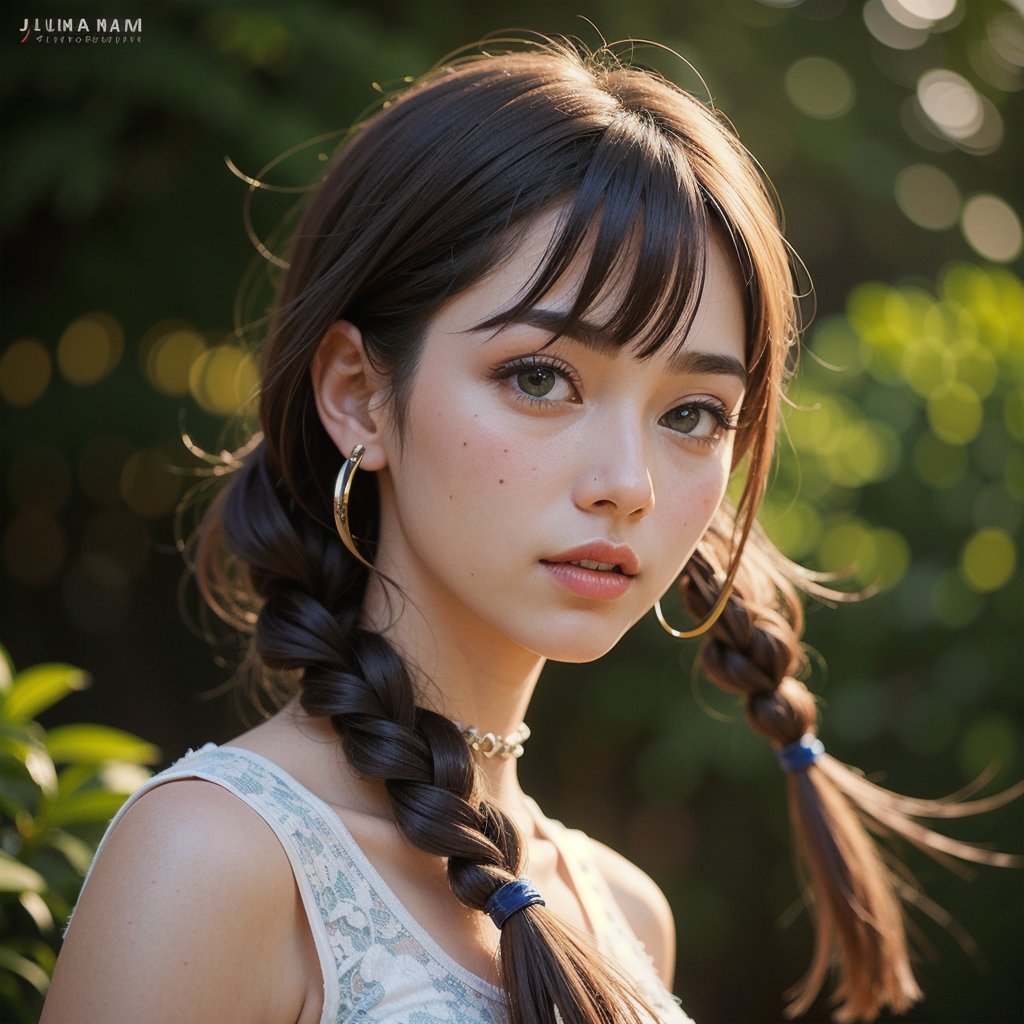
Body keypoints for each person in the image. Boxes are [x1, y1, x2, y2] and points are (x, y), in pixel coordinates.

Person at [41, 36, 1018, 1024]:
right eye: (541, 378)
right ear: (358, 395)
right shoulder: (219, 861)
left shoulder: (625, 912)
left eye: (691, 414)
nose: (626, 484)